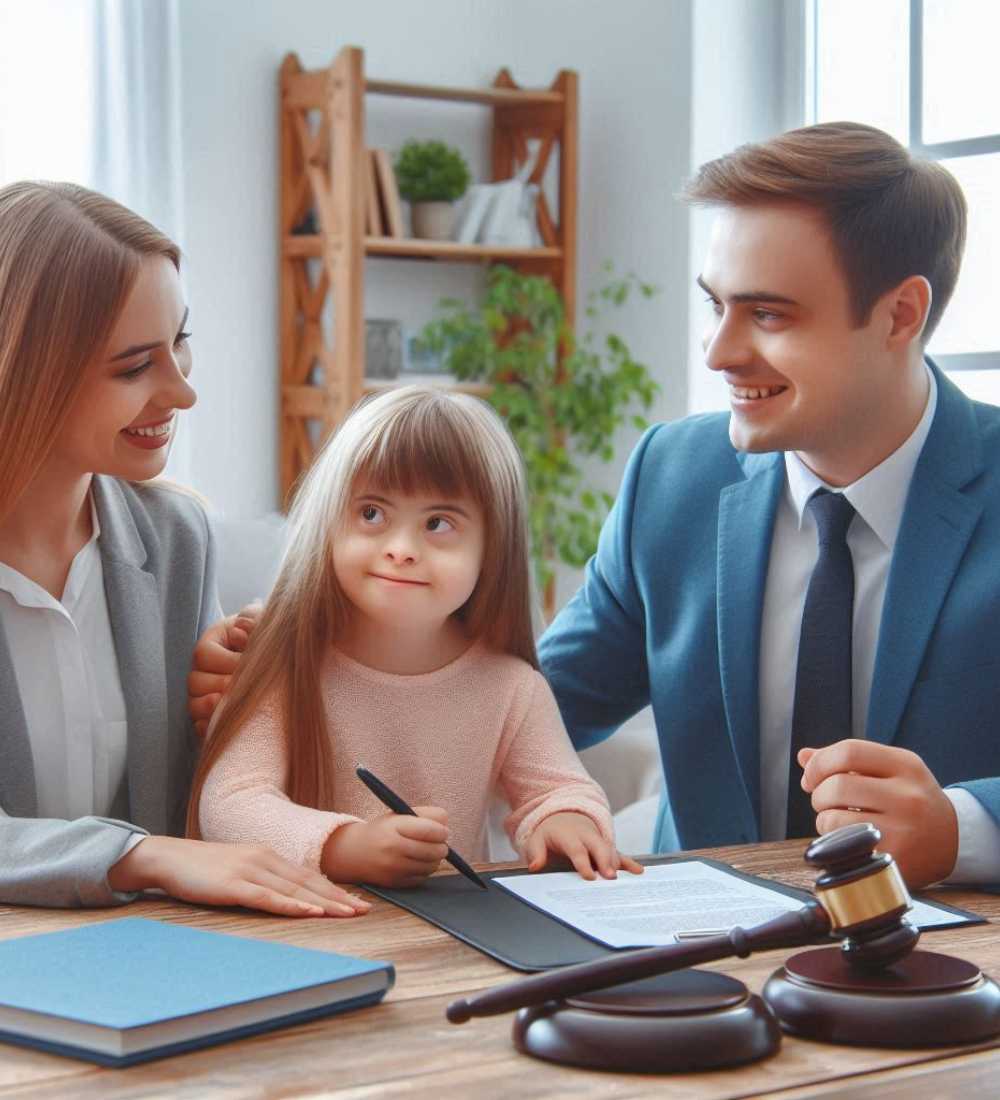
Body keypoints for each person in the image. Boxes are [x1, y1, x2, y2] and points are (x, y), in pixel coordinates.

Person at [538, 122, 1000, 888]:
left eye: (769, 314)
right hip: (697, 967)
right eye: (717, 306)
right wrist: (302, 664)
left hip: (953, 979)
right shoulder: (670, 477)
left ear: (900, 315)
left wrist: (960, 828)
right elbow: (532, 708)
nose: (719, 352)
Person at [0, 181, 369, 918]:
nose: (181, 392)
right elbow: (172, 854)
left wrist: (241, 712)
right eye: (135, 366)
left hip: (157, 961)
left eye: (180, 343)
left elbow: (216, 809)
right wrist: (141, 854)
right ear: (24, 372)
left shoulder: (174, 540)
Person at [187, 386, 642, 887]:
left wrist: (565, 821)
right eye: (372, 514)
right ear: (329, 524)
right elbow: (230, 804)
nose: (401, 549)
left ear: (493, 549)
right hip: (306, 934)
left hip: (453, 947)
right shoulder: (282, 663)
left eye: (438, 523)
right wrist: (344, 846)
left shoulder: (511, 687)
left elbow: (557, 789)